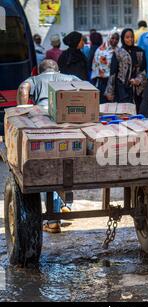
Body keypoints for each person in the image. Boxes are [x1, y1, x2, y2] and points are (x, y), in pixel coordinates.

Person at [17, 59, 79, 233]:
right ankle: (67, 204)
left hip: (44, 125)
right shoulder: (69, 78)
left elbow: (23, 89)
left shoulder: (35, 80)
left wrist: (21, 112)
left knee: (50, 167)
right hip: (70, 126)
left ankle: (53, 220)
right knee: (68, 161)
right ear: (57, 70)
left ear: (39, 71)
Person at [105, 28, 146, 113]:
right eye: (127, 37)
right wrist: (110, 91)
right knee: (124, 112)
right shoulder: (118, 52)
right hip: (121, 87)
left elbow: (143, 69)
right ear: (123, 38)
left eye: (131, 37)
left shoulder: (140, 51)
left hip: (136, 88)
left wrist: (138, 80)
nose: (130, 39)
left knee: (135, 111)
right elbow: (113, 72)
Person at [91, 32, 120, 104]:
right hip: (103, 82)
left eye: (117, 39)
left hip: (115, 82)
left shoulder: (119, 51)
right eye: (112, 38)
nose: (115, 40)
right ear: (108, 38)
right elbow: (95, 67)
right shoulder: (100, 50)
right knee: (103, 106)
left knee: (113, 107)